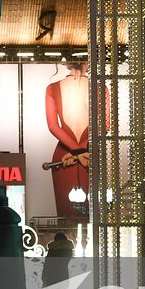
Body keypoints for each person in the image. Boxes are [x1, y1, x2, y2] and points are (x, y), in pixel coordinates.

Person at [45, 62, 92, 218]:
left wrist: (76, 150)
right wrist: (81, 150)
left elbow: (53, 126)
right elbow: (103, 126)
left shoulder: (52, 89)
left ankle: (66, 240)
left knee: (66, 213)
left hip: (65, 155)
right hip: (89, 156)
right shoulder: (101, 88)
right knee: (93, 212)